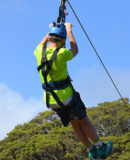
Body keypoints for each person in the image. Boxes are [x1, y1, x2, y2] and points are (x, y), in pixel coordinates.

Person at [34, 22, 113, 159]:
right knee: (83, 120)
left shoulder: (39, 51)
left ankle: (90, 149)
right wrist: (69, 30)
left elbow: (44, 41)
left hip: (50, 99)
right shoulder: (62, 53)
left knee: (74, 123)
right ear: (62, 40)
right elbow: (75, 50)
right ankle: (100, 147)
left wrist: (51, 29)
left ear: (50, 38)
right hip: (66, 97)